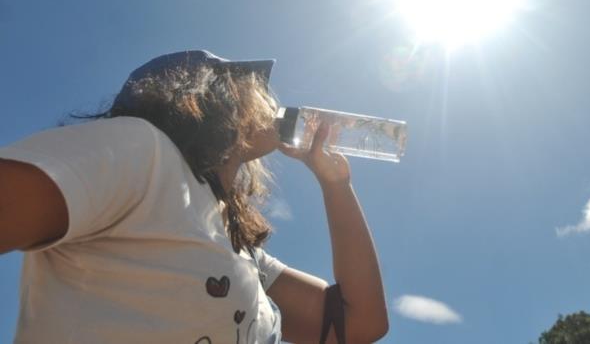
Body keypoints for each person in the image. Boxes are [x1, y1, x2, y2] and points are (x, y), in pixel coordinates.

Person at [0, 50, 389, 344]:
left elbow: (361, 324)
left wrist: (336, 185)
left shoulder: (242, 252)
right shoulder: (141, 151)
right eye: (253, 86)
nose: (270, 99)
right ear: (210, 95)